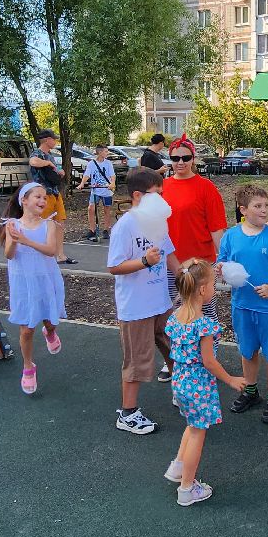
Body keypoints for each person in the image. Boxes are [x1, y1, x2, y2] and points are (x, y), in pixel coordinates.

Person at [163, 258, 246, 507]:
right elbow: (209, 362)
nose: (215, 288)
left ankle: (178, 467)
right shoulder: (205, 325)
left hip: (179, 381)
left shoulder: (176, 317)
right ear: (202, 290)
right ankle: (187, 488)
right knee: (199, 433)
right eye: (212, 284)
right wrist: (230, 379)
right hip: (198, 385)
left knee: (192, 424)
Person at [106, 166, 179, 435]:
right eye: (156, 194)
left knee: (176, 349)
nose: (162, 199)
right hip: (136, 307)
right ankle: (127, 413)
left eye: (162, 193)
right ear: (138, 195)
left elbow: (169, 253)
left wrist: (184, 276)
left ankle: (180, 392)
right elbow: (114, 266)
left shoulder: (158, 220)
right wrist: (144, 261)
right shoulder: (124, 226)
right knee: (137, 360)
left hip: (161, 302)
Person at [219, 184, 268, 424]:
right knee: (247, 350)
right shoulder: (231, 236)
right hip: (241, 305)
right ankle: (251, 391)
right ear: (243, 210)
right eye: (258, 206)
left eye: (266, 206)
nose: (264, 210)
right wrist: (220, 270)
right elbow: (221, 264)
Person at [0, 181, 67, 395]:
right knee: (27, 328)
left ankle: (49, 331)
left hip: (46, 279)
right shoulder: (12, 224)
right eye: (37, 197)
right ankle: (28, 366)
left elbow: (51, 250)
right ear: (24, 201)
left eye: (45, 198)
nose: (42, 200)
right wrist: (14, 240)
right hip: (23, 281)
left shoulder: (49, 224)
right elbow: (9, 255)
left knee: (50, 319)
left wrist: (26, 241)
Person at [160, 134, 227, 320]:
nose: (180, 162)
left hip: (201, 264)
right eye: (175, 158)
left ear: (193, 159)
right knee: (174, 315)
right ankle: (178, 350)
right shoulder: (162, 187)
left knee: (204, 314)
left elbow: (216, 228)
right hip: (171, 264)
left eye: (186, 158)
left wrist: (223, 261)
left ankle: (207, 350)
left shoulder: (206, 187)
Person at [27, 129, 77, 264]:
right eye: (53, 139)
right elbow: (33, 162)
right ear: (46, 140)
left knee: (60, 223)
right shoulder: (37, 153)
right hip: (43, 195)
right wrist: (47, 164)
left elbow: (54, 170)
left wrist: (59, 171)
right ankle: (42, 255)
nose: (55, 141)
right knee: (42, 225)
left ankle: (60, 255)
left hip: (55, 193)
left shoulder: (51, 156)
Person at [78, 143, 116, 243]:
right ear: (99, 152)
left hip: (106, 190)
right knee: (91, 208)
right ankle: (92, 230)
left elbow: (112, 175)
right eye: (105, 151)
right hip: (95, 190)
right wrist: (82, 183)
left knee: (107, 209)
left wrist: (112, 183)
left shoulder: (108, 163)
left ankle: (106, 229)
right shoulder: (92, 163)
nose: (107, 153)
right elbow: (87, 175)